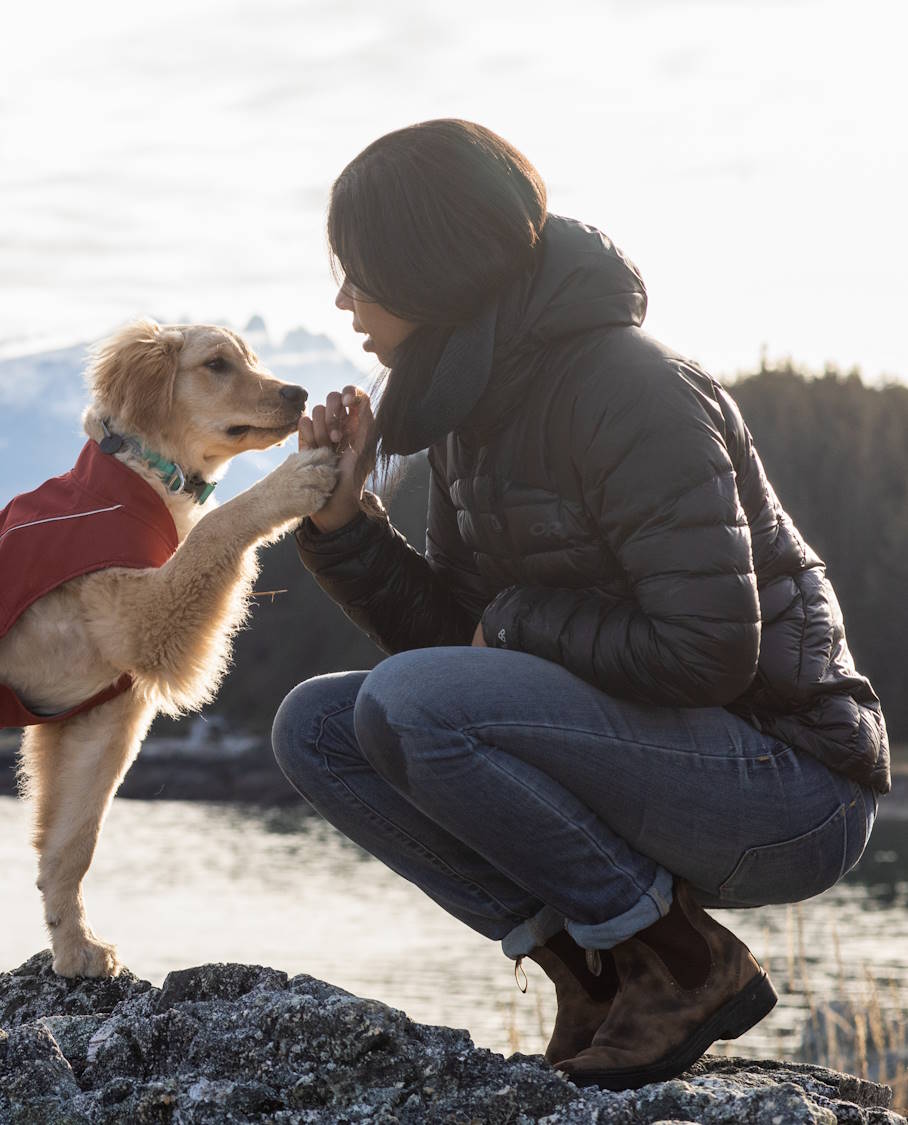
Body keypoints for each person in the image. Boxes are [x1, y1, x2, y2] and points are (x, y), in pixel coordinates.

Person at [270, 119, 890, 1091]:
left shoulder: (629, 388)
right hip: (653, 755)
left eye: (359, 269)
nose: (343, 297)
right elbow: (456, 664)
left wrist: (510, 628)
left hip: (786, 781)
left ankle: (686, 966)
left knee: (408, 700)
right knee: (320, 726)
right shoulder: (474, 407)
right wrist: (349, 525)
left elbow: (711, 651)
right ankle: (598, 976)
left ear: (428, 269)